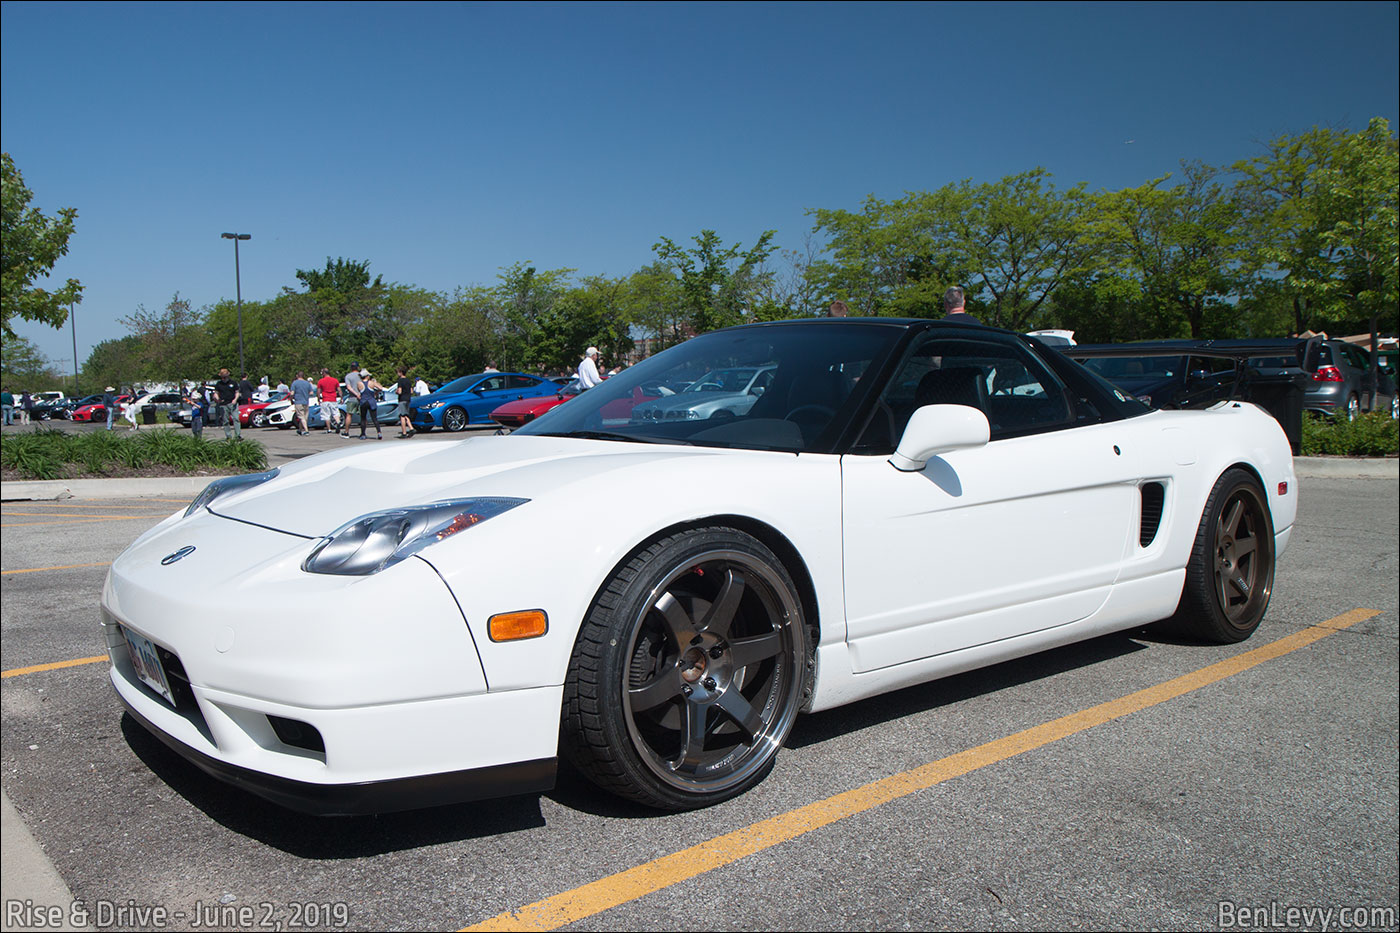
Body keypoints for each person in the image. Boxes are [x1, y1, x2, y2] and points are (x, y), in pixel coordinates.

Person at [213, 369, 241, 439]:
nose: (224, 378)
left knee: (236, 419)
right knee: (225, 421)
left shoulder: (233, 383)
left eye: (225, 377)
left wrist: (235, 399)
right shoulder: (218, 384)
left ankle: (238, 435)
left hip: (232, 403)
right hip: (223, 404)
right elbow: (216, 393)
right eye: (222, 377)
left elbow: (237, 392)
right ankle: (228, 436)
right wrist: (217, 398)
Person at [356, 369, 384, 440]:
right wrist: (376, 392)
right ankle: (379, 432)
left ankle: (363, 434)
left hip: (363, 402)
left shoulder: (359, 383)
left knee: (363, 418)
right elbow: (381, 388)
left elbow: (360, 392)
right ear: (367, 376)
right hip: (371, 401)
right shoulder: (371, 383)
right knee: (374, 418)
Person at [342, 364, 365, 438]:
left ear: (351, 368)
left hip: (352, 398)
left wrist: (355, 394)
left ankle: (346, 432)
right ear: (358, 367)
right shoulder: (361, 375)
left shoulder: (348, 376)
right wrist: (359, 394)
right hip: (362, 397)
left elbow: (349, 387)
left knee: (349, 415)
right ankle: (363, 432)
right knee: (363, 416)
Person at [316, 368, 341, 434]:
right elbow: (339, 390)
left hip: (325, 399)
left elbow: (318, 391)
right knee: (335, 413)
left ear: (324, 373)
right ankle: (338, 422)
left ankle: (329, 429)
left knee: (326, 415)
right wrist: (341, 398)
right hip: (333, 399)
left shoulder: (321, 381)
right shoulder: (335, 380)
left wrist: (318, 399)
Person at [290, 371, 314, 435]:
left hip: (298, 401)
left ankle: (306, 430)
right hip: (306, 401)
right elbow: (311, 393)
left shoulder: (295, 383)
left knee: (301, 416)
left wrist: (291, 399)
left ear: (297, 376)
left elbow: (292, 393)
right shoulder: (307, 383)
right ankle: (300, 430)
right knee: (304, 417)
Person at [394, 367, 415, 438]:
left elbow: (400, 391)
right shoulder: (408, 380)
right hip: (408, 399)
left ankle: (404, 433)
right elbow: (411, 391)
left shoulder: (400, 381)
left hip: (402, 399)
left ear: (400, 372)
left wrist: (397, 392)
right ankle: (411, 428)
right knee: (406, 414)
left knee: (402, 416)